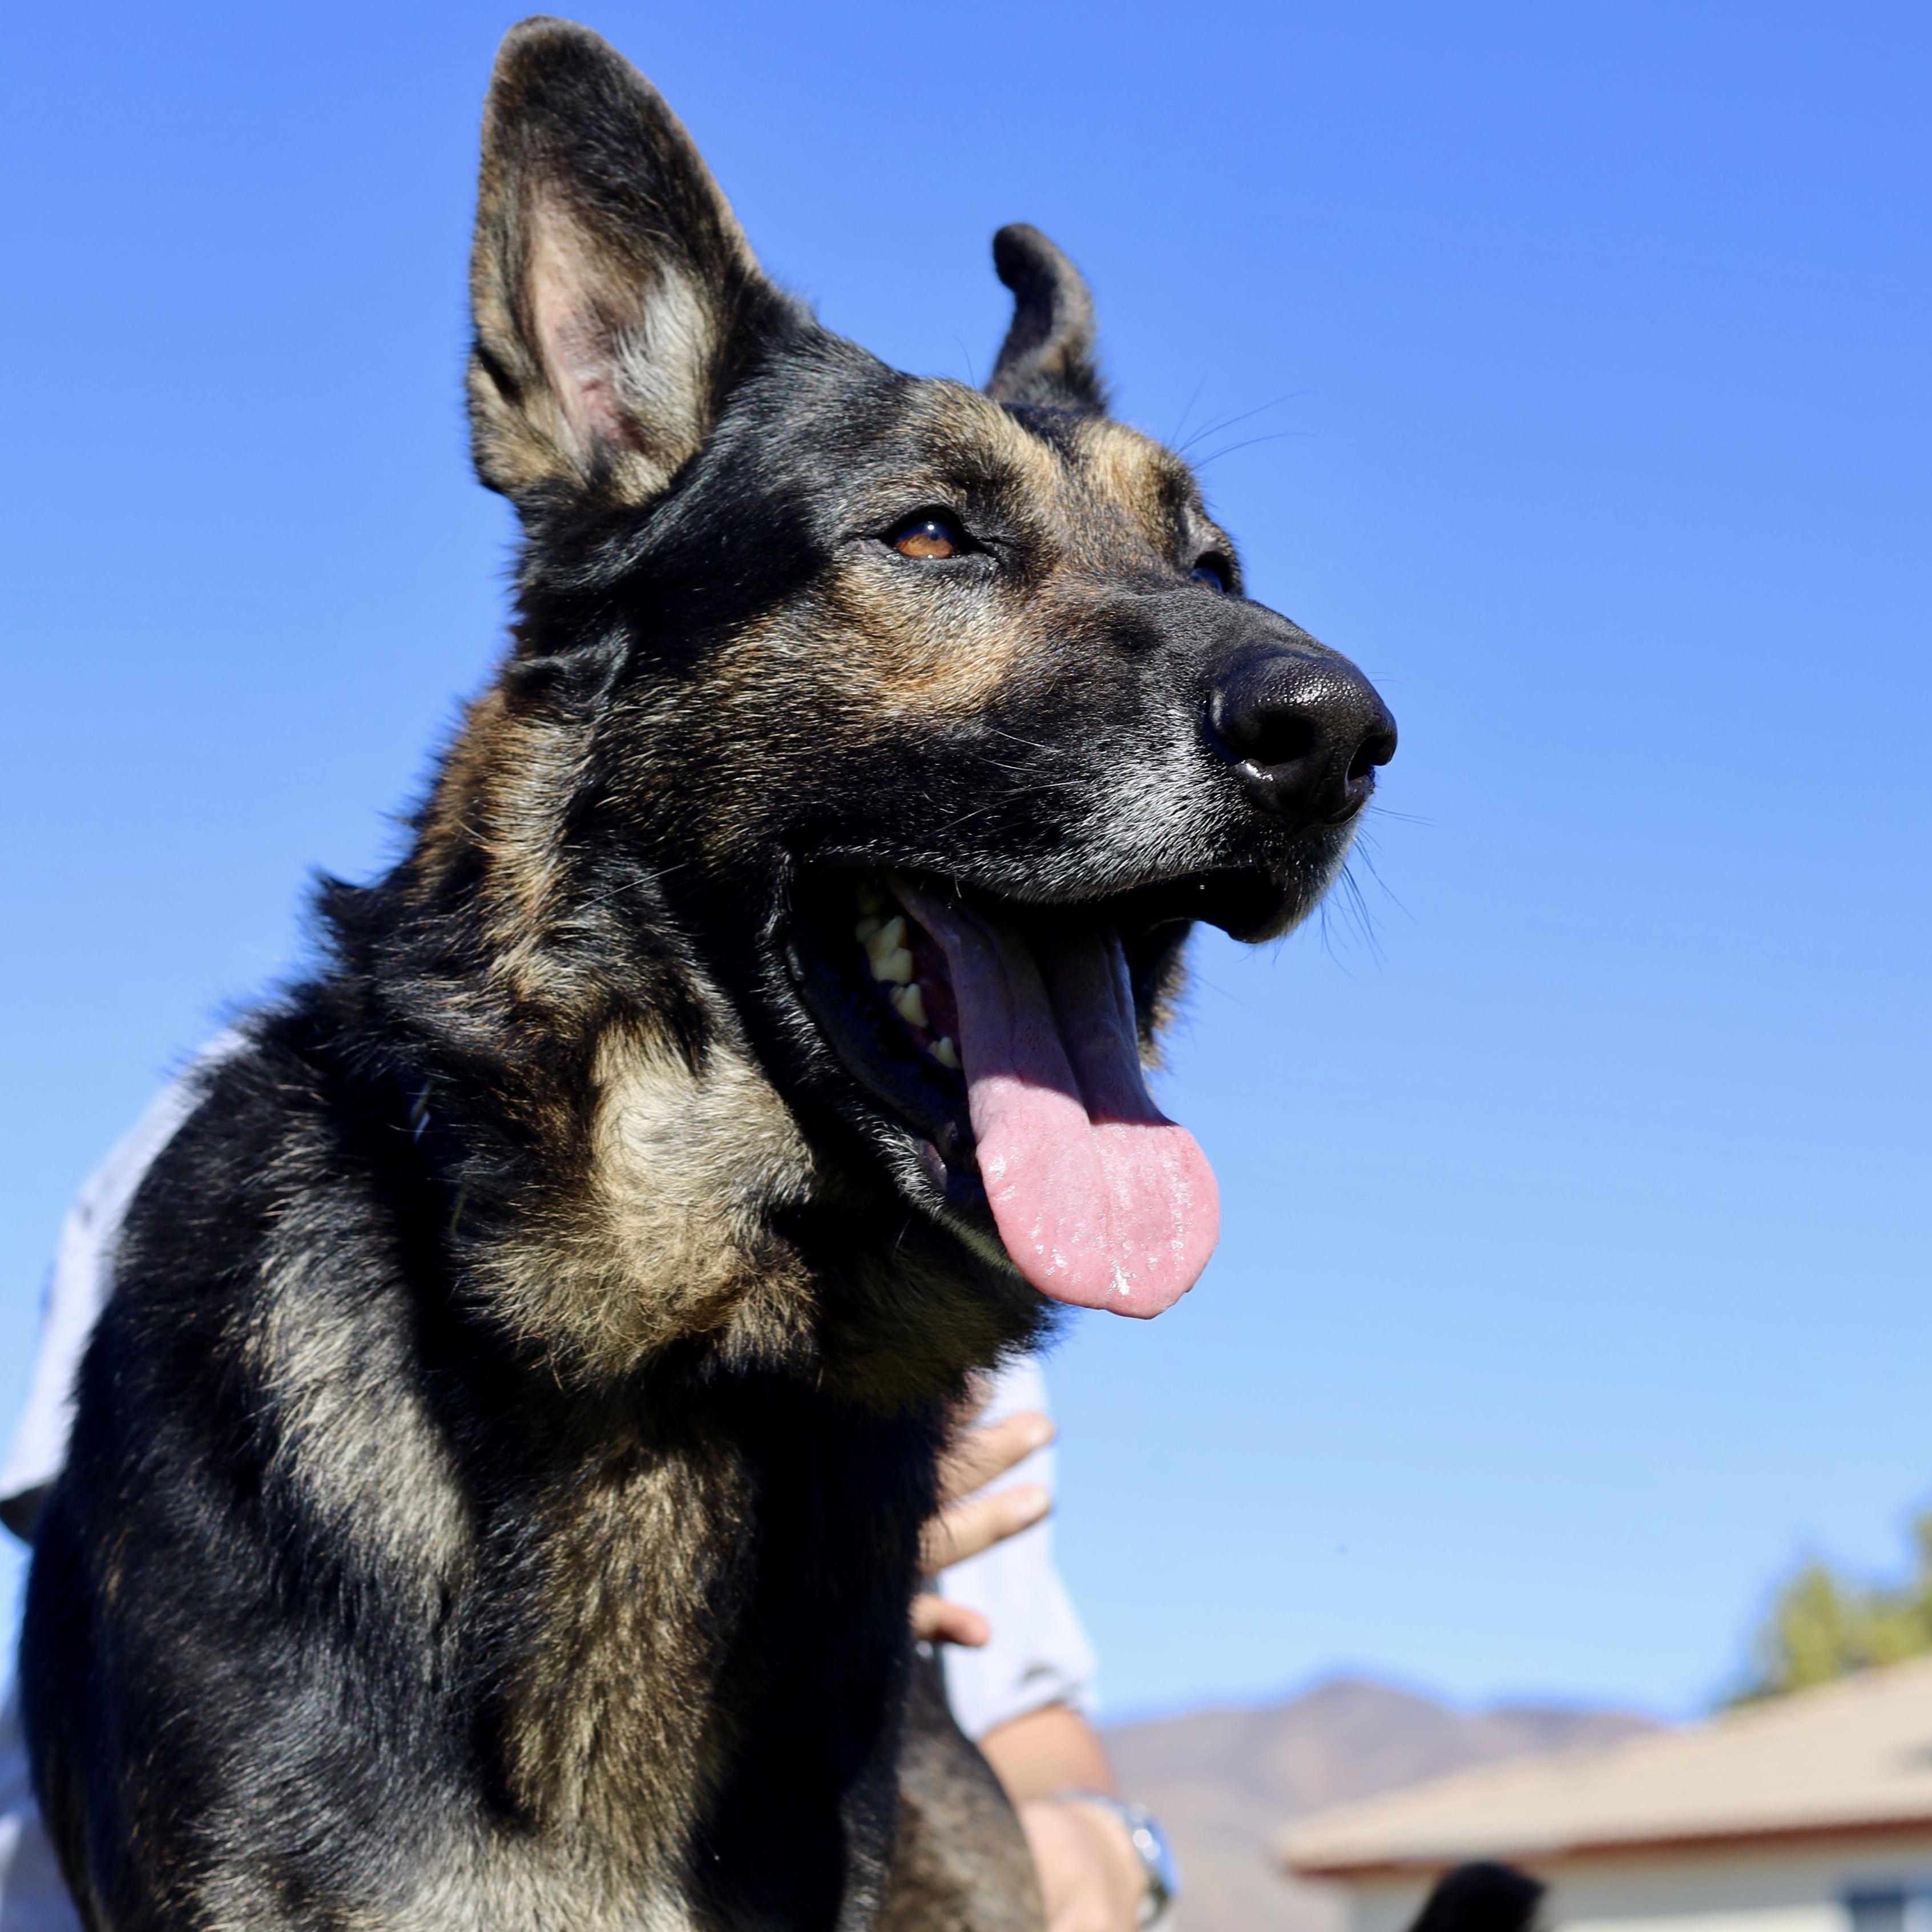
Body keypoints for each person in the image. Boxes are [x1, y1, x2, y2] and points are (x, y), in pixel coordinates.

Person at [1, 1055, 1178, 1932]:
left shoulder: (958, 1229)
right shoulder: (244, 1150)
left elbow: (1028, 1723)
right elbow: (114, 1584)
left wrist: (1104, 1846)